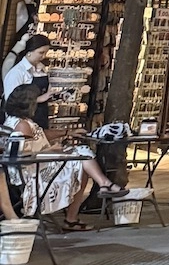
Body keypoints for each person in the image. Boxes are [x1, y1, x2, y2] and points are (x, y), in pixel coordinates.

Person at [4, 82, 126, 231]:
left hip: (37, 166)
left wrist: (66, 133)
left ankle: (102, 186)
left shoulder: (17, 121)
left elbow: (41, 134)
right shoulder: (22, 125)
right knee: (82, 157)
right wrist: (53, 151)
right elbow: (25, 156)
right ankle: (101, 187)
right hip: (33, 173)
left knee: (81, 161)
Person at [1, 37, 50, 127]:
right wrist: (40, 99)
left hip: (39, 116)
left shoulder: (40, 69)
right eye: (41, 53)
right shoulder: (17, 73)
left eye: (46, 53)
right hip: (22, 122)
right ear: (29, 52)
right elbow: (12, 103)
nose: (44, 57)